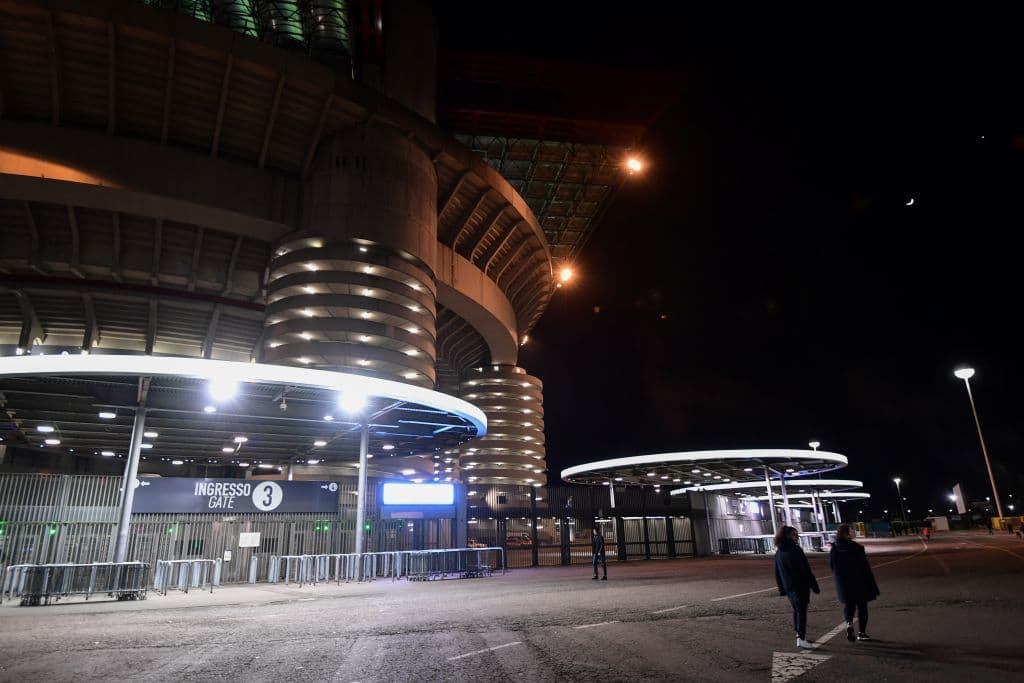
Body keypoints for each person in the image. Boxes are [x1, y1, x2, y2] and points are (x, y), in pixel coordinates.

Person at [829, 524, 880, 642]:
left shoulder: (835, 548)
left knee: (849, 605)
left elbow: (832, 566)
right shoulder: (856, 547)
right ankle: (861, 633)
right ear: (847, 533)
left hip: (844, 583)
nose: (854, 532)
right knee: (862, 607)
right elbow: (864, 566)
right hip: (859, 581)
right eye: (852, 530)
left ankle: (849, 624)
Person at [775, 525, 820, 649]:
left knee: (796, 610)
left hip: (789, 587)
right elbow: (805, 569)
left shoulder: (779, 551)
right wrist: (814, 585)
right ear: (788, 536)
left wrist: (781, 588)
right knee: (801, 612)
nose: (797, 537)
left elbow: (777, 572)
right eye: (795, 535)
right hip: (800, 586)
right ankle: (801, 638)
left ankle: (798, 634)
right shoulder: (795, 550)